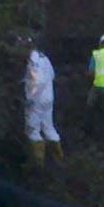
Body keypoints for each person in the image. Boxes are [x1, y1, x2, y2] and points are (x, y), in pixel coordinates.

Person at [23, 36, 63, 166]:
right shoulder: (44, 58)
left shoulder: (33, 59)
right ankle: (58, 160)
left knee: (32, 129)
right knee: (49, 128)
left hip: (36, 100)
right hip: (48, 98)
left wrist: (30, 98)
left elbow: (38, 81)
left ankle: (38, 164)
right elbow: (52, 75)